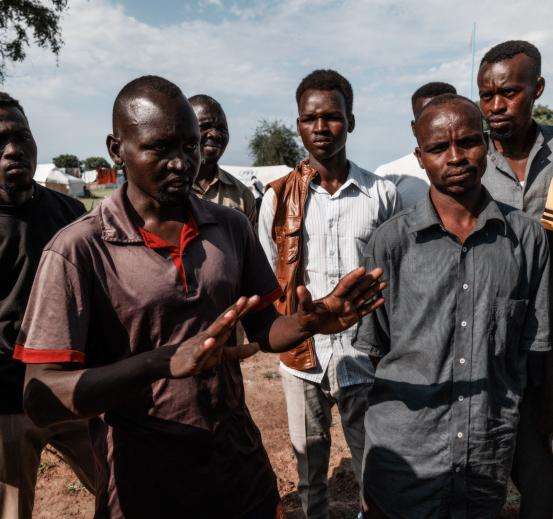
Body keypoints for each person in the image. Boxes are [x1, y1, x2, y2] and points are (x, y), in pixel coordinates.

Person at [15, 76, 385, 519]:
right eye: (160, 148)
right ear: (117, 149)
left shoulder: (230, 227)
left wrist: (309, 322)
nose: (181, 163)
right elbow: (40, 396)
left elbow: (265, 331)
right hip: (144, 478)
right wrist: (158, 362)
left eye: (189, 147)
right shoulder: (79, 249)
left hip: (238, 463)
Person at [358, 94, 550, 518]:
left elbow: (534, 351)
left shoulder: (527, 240)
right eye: (439, 148)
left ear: (487, 144)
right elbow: (378, 351)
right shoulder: (390, 244)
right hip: (407, 456)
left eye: (468, 142)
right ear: (420, 157)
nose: (456, 157)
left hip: (485, 451)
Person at [258, 69, 400, 519]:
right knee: (309, 472)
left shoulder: (381, 194)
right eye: (309, 118)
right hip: (303, 357)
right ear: (298, 124)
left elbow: (393, 273)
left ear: (351, 121)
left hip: (365, 356)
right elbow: (270, 276)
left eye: (332, 117)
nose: (320, 128)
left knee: (372, 469)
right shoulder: (278, 197)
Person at [0, 92, 96, 519]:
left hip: (71, 391)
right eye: (0, 140)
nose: (12, 149)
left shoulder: (71, 213)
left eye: (21, 135)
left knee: (122, 488)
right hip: (5, 403)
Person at [478, 40, 553, 519]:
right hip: (493, 338)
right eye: (486, 95)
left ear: (538, 90)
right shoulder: (467, 160)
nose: (495, 106)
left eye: (509, 92)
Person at [374, 82, 456, 208]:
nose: (438, 123)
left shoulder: (480, 167)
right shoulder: (387, 176)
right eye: (427, 118)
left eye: (445, 116)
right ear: (414, 127)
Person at [189, 94, 257, 227]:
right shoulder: (165, 187)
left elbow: (249, 246)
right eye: (205, 126)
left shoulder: (242, 195)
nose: (215, 134)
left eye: (222, 129)